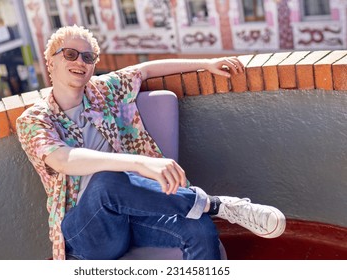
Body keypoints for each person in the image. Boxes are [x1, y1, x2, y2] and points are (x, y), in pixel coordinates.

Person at [16, 25, 286, 260]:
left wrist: (206, 63)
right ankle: (215, 204)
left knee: (199, 228)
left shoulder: (102, 91)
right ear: (50, 62)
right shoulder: (35, 120)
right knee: (105, 181)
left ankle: (208, 209)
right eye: (70, 54)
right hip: (88, 231)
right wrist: (140, 163)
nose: (80, 62)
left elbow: (145, 70)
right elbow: (62, 159)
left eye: (88, 57)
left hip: (133, 212)